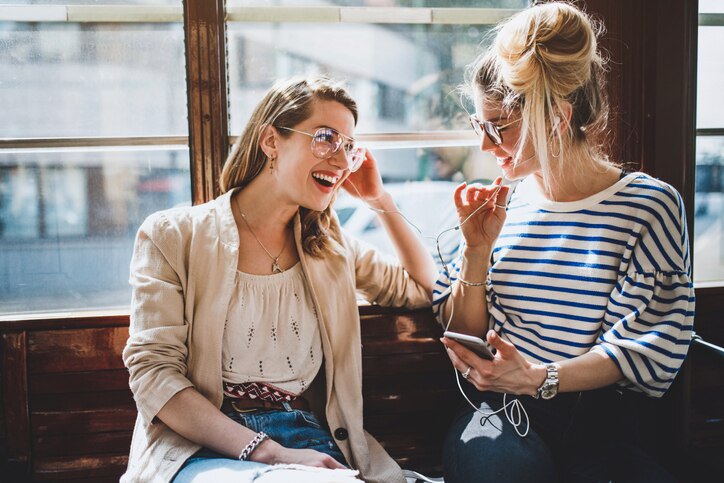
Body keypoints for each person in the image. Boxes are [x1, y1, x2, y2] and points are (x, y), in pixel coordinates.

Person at [121, 76, 437, 483]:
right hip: (201, 446)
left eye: (348, 147)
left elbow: (423, 288)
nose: (341, 162)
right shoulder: (172, 235)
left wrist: (380, 201)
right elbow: (153, 375)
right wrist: (268, 453)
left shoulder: (330, 246)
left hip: (308, 441)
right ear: (271, 141)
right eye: (326, 138)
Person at [432, 2, 695, 482]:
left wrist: (538, 378)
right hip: (501, 414)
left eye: (499, 128)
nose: (485, 147)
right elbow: (462, 335)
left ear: (556, 117)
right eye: (479, 125)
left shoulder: (647, 206)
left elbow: (643, 344)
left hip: (604, 422)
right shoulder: (500, 207)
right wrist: (475, 252)